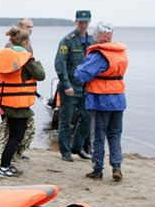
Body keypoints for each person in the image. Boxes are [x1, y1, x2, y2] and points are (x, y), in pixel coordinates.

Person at [74, 22, 128, 181]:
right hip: (118, 97)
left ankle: (98, 168)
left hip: (101, 99)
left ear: (97, 36)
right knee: (115, 134)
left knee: (98, 135)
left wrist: (79, 68)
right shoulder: (120, 53)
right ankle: (117, 166)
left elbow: (82, 75)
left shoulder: (98, 55)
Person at [0, 26, 45, 178]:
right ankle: (4, 167)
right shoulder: (26, 58)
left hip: (4, 101)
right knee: (16, 136)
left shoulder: (2, 55)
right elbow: (41, 75)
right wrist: (37, 62)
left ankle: (6, 164)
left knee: (9, 134)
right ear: (25, 42)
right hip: (18, 104)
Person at [0, 18, 36, 165]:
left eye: (31, 27)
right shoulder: (12, 48)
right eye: (27, 27)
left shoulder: (26, 47)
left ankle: (12, 155)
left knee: (18, 131)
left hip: (13, 97)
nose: (30, 29)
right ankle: (5, 161)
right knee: (12, 131)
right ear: (20, 28)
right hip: (13, 99)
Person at [55, 10, 94, 161]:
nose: (83, 25)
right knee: (66, 120)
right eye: (80, 22)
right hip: (70, 86)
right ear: (76, 22)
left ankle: (77, 147)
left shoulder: (91, 41)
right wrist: (66, 85)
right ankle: (65, 151)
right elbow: (60, 63)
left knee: (86, 117)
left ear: (89, 22)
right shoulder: (67, 40)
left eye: (85, 22)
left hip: (86, 87)